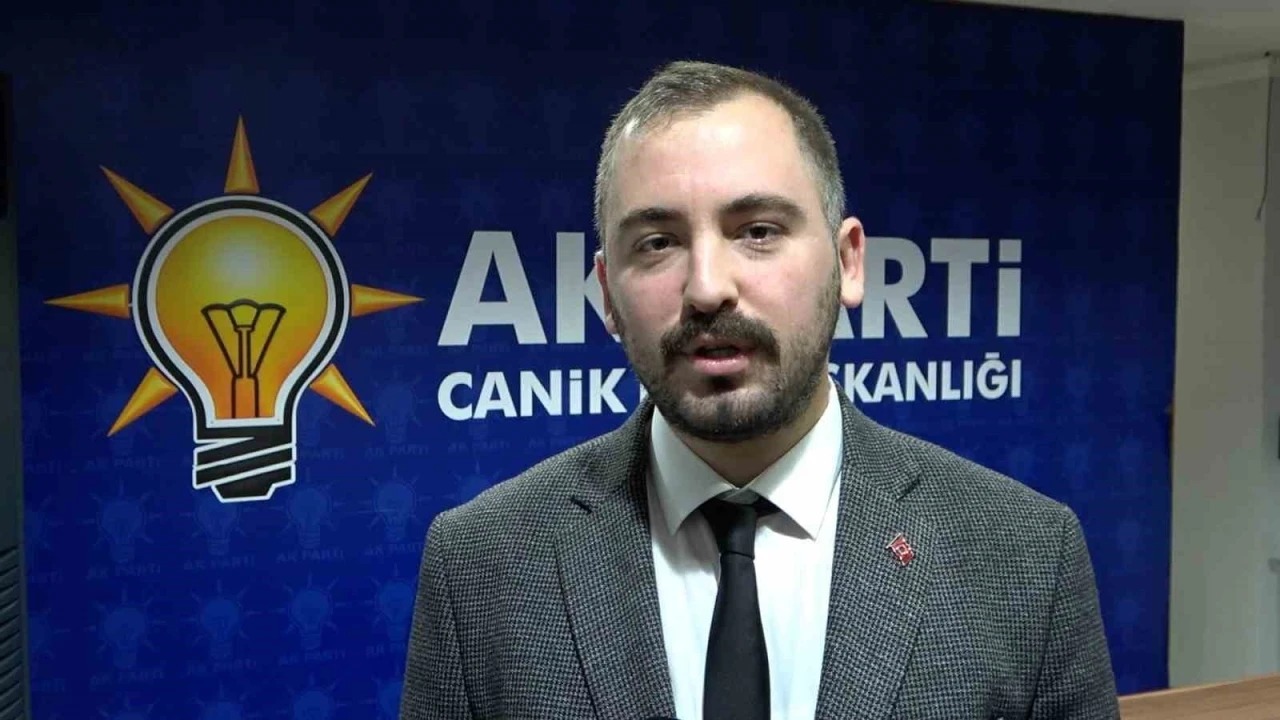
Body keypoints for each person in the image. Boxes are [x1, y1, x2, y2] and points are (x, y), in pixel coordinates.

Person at [400, 60, 1119, 720]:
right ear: (608, 295)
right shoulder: (481, 565)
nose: (707, 287)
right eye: (658, 242)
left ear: (848, 263)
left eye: (758, 231)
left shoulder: (1027, 557)